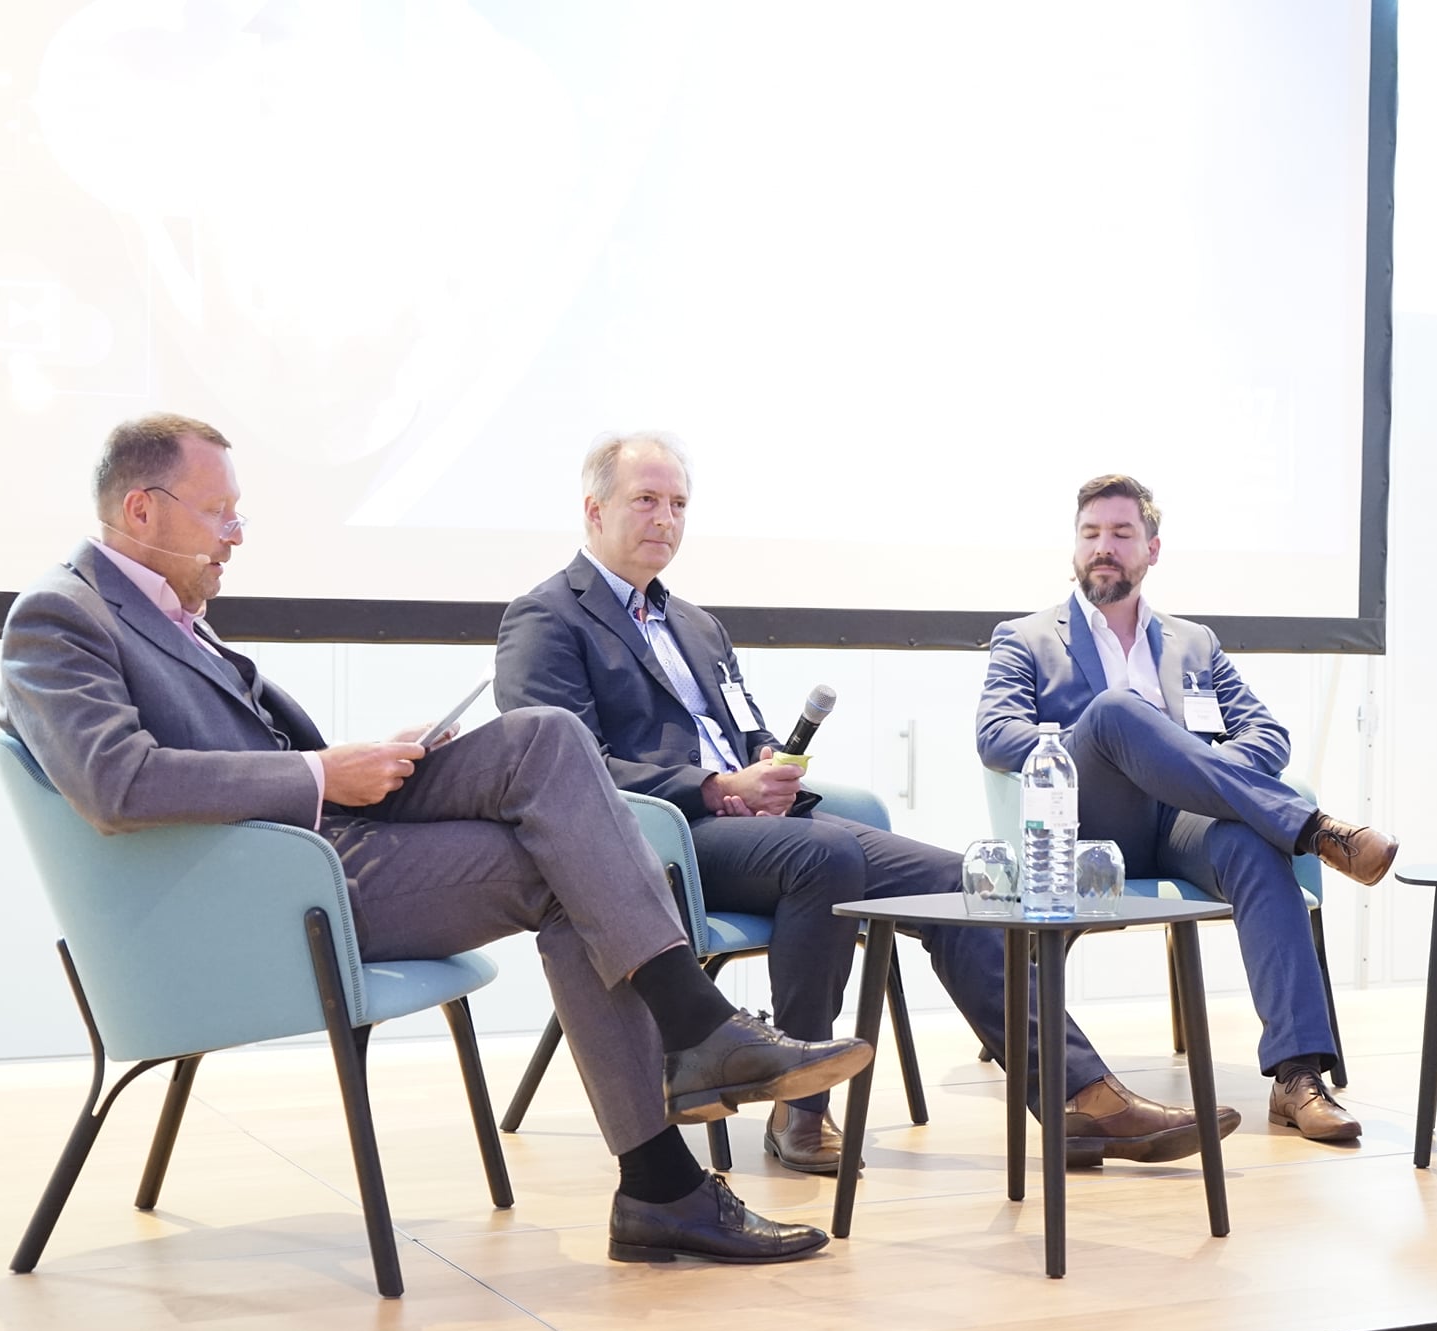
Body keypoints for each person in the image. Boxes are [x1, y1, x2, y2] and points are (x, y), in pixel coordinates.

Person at [0, 413, 873, 1265]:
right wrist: (320, 776)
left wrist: (373, 759)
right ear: (141, 509)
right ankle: (679, 1109)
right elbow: (115, 782)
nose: (234, 535)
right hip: (275, 891)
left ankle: (673, 1135)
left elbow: (244, 756)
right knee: (576, 865)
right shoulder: (61, 616)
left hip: (317, 841)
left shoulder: (171, 612)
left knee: (546, 738)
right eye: (217, 512)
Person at [496, 432, 1227, 1177]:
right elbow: (565, 774)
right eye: (646, 500)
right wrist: (714, 788)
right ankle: (799, 1109)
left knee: (963, 878)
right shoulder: (548, 617)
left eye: (679, 503)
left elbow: (745, 731)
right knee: (827, 856)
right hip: (660, 842)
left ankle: (1080, 1099)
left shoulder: (695, 623)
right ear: (593, 509)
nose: (666, 518)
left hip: (757, 826)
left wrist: (764, 769)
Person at [977, 474, 1395, 1142]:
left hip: (1181, 825)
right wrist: (1094, 741)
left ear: (1153, 548)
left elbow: (1268, 735)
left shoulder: (1193, 642)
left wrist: (1196, 770)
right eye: (1090, 534)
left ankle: (1298, 1075)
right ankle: (1315, 830)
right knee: (1117, 712)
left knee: (1256, 849)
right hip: (1084, 821)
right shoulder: (1025, 637)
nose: (1103, 548)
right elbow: (996, 734)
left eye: (1120, 534)